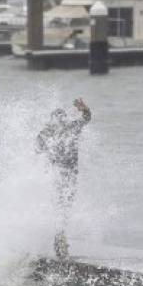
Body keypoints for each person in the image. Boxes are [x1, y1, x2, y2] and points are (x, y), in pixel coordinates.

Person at [36, 98, 92, 259]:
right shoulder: (68, 128)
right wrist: (84, 109)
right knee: (63, 206)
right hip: (64, 175)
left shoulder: (47, 132)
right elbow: (86, 118)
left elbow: (37, 150)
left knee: (62, 206)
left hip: (60, 175)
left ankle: (59, 237)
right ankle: (60, 239)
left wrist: (85, 109)